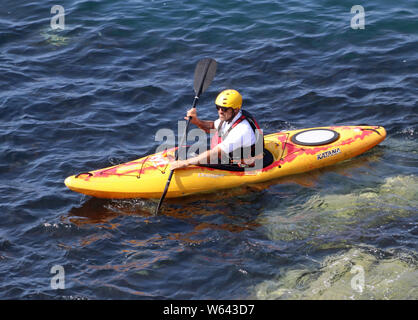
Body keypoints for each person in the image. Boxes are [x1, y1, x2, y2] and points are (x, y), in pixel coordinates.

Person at [170, 89, 263, 170]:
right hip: (229, 155)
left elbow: (214, 153)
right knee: (183, 153)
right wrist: (197, 121)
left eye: (224, 109)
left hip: (244, 163)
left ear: (236, 109)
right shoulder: (230, 117)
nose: (220, 112)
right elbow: (211, 126)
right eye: (218, 108)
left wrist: (185, 163)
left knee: (194, 160)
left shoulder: (241, 130)